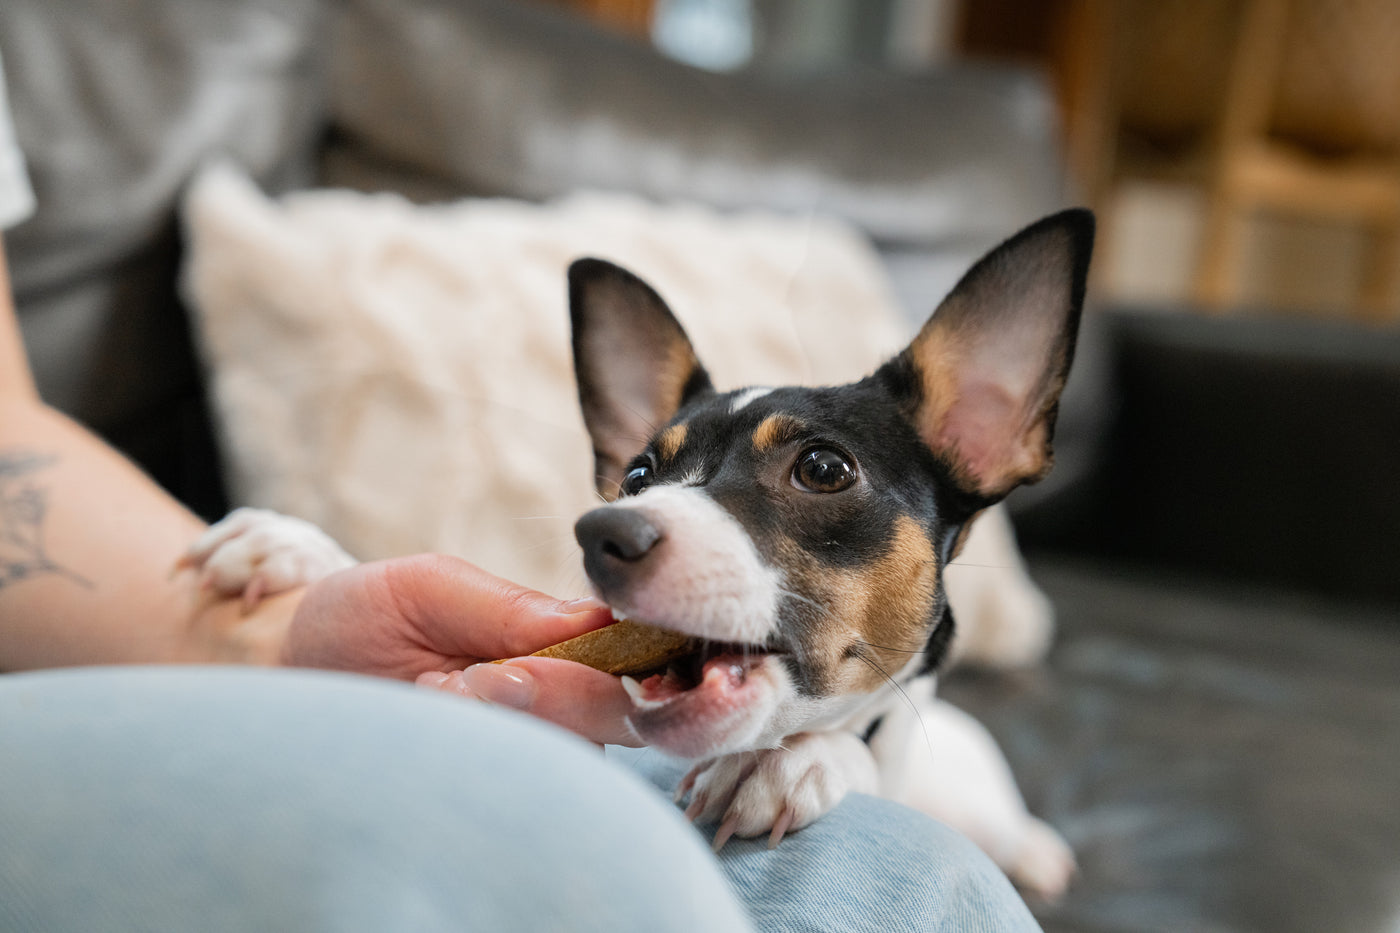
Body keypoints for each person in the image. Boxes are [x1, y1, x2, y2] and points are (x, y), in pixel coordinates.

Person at [0, 52, 1042, 932]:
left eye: (817, 470)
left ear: (983, 434)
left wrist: (277, 626)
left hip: (924, 774)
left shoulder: (942, 764)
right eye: (644, 471)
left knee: (967, 871)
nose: (636, 518)